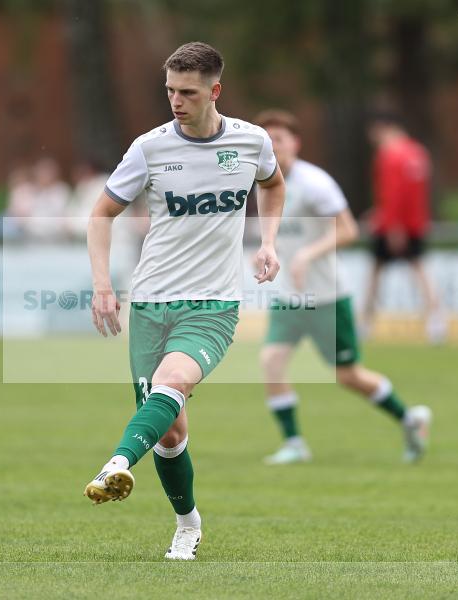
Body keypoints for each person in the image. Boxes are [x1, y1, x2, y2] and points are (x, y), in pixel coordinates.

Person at [83, 42, 285, 560]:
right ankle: (187, 523)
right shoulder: (149, 148)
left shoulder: (251, 141)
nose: (175, 100)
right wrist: (103, 284)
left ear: (214, 91)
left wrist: (268, 241)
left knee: (173, 382)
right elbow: (100, 214)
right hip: (151, 302)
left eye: (187, 92)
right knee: (170, 433)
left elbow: (273, 184)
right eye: (170, 90)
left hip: (214, 304)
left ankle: (116, 462)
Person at [253, 109, 432, 466]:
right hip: (290, 296)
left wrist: (307, 254)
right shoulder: (261, 182)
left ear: (296, 144)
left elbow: (349, 230)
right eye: (266, 140)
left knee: (348, 376)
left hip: (328, 298)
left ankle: (410, 418)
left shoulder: (315, 183)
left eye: (280, 139)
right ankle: (295, 443)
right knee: (271, 361)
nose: (273, 146)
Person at [363, 110, 446, 343]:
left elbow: (393, 193)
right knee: (421, 272)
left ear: (383, 128)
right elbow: (415, 194)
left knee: (376, 274)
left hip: (394, 225)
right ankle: (436, 322)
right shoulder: (418, 152)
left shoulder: (389, 154)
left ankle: (366, 323)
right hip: (415, 223)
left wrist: (392, 225)